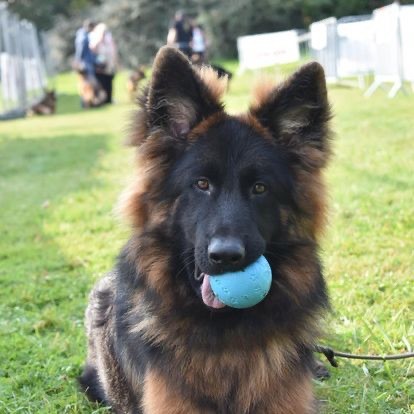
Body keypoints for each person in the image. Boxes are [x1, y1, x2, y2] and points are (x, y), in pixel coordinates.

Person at [74, 20, 106, 108]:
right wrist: (78, 61)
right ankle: (87, 103)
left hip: (87, 62)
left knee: (87, 85)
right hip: (86, 63)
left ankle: (89, 103)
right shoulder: (83, 37)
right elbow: (80, 51)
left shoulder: (82, 35)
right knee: (87, 85)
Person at [89, 23, 118, 104]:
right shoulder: (94, 37)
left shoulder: (109, 37)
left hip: (109, 64)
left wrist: (115, 61)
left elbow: (113, 49)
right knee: (102, 83)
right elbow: (92, 49)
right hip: (100, 66)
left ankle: (109, 98)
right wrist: (99, 40)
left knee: (109, 81)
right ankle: (102, 99)